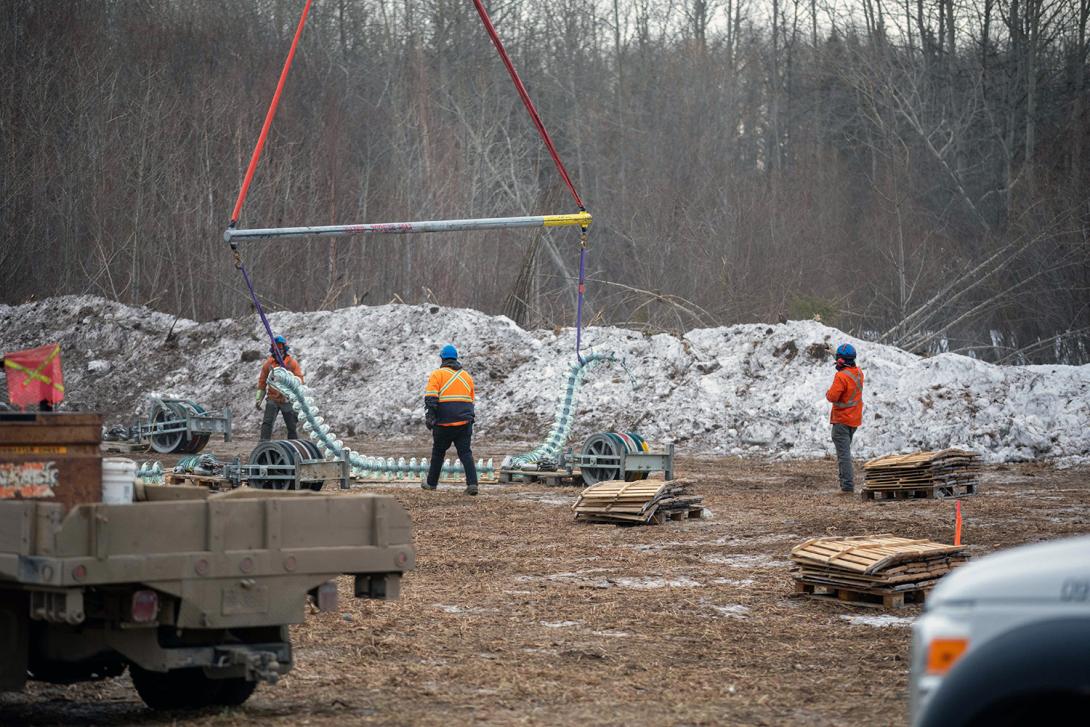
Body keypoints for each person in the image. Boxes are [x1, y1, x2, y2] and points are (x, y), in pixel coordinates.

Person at [422, 344, 478, 496]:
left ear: (442, 358)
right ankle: (472, 484)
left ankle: (431, 483)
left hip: (444, 422)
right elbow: (471, 400)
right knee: (465, 453)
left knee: (438, 453)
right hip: (464, 422)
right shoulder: (467, 376)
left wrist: (430, 417)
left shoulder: (437, 374)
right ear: (456, 358)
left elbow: (431, 397)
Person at [825, 342, 864, 493]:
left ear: (841, 361)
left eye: (838, 360)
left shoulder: (840, 377)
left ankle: (847, 486)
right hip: (853, 420)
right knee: (845, 452)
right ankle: (846, 483)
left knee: (843, 455)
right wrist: (834, 353)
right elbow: (847, 366)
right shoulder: (859, 372)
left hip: (841, 420)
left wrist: (827, 392)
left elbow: (832, 397)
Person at [256, 335, 305, 440]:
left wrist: (295, 393)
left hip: (287, 399)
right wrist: (258, 398)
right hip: (273, 398)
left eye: (281, 347)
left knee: (292, 425)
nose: (279, 350)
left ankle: (293, 445)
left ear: (284, 348)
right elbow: (262, 382)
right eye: (277, 347)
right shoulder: (269, 364)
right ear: (273, 349)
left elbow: (300, 380)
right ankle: (263, 444)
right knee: (267, 423)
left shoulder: (292, 363)